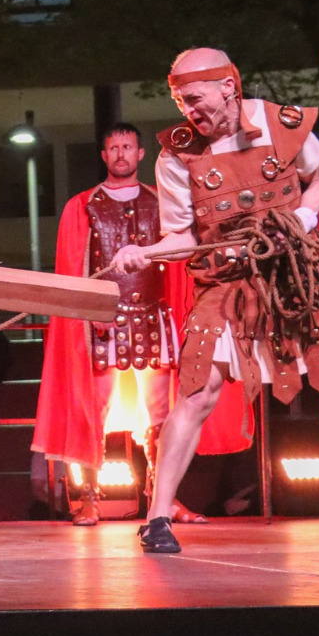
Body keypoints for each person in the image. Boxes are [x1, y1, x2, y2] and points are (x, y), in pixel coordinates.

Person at [105, 48, 319, 553]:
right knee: (197, 395)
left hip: (296, 278)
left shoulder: (283, 124)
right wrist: (144, 253)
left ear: (228, 87)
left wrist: (301, 220)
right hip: (226, 283)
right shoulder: (176, 155)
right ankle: (157, 518)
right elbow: (182, 236)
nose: (189, 110)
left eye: (196, 98)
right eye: (180, 101)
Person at [34, 123, 247, 525]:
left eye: (127, 146)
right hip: (103, 322)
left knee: (160, 414)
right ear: (104, 155)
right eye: (114, 148)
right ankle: (88, 498)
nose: (121, 154)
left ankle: (163, 498)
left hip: (153, 318)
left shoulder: (162, 201)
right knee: (92, 410)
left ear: (140, 153)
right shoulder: (83, 205)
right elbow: (73, 266)